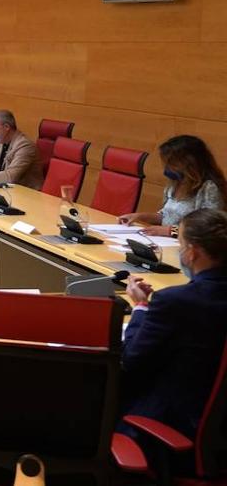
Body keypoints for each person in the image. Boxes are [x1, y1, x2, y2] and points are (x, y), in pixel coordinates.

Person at [122, 208, 227, 452]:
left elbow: (131, 359)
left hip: (171, 422)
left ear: (192, 252)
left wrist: (141, 307)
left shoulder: (175, 301)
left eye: (180, 245)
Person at [119, 135, 225, 238]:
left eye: (171, 162)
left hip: (192, 245)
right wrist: (138, 216)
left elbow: (208, 229)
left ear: (189, 163)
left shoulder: (209, 188)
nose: (167, 166)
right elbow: (166, 216)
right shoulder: (174, 184)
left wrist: (170, 231)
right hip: (167, 241)